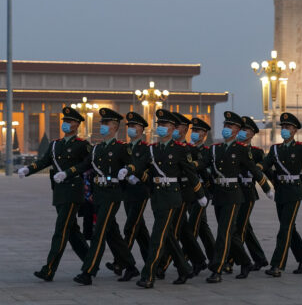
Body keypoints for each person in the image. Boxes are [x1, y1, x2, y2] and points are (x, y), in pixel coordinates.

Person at [133, 109, 208, 288]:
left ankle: (148, 275)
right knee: (170, 234)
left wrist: (200, 194)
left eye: (165, 125)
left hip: (173, 197)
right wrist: (130, 171)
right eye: (159, 125)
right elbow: (143, 167)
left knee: (158, 236)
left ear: (173, 128)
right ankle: (184, 268)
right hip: (157, 197)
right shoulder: (153, 149)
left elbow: (191, 174)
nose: (161, 128)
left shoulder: (181, 150)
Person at [65, 108, 140, 286]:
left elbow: (133, 165)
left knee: (99, 232)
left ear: (114, 126)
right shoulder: (97, 148)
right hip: (98, 195)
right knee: (112, 234)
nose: (103, 126)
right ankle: (130, 266)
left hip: (112, 194)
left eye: (106, 124)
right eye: (102, 124)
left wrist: (128, 172)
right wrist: (67, 173)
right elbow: (84, 165)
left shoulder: (122, 148)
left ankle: (88, 271)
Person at [17, 106, 91, 282]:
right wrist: (29, 169)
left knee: (61, 230)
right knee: (72, 231)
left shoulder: (82, 145)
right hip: (59, 192)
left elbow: (87, 164)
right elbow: (44, 161)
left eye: (70, 121)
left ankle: (49, 269)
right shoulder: (55, 144)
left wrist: (68, 172)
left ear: (77, 125)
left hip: (73, 191)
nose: (66, 124)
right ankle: (91, 262)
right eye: (64, 121)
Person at [203, 111, 274, 283]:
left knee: (223, 232)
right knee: (231, 232)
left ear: (237, 130)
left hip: (234, 195)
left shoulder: (241, 150)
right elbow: (202, 164)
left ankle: (217, 268)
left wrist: (266, 187)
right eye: (225, 125)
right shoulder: (215, 149)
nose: (227, 128)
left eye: (231, 126)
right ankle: (246, 262)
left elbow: (254, 169)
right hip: (219, 194)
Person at [260, 112, 302, 278]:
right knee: (290, 228)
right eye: (283, 127)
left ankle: (277, 265)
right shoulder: (275, 149)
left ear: (295, 130)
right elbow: (264, 165)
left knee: (284, 229)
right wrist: (254, 170)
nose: (284, 129)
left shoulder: (301, 148)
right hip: (281, 191)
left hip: (294, 192)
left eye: (288, 127)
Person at [157, 112, 209, 278]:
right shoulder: (167, 148)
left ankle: (162, 266)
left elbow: (202, 165)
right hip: (173, 193)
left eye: (175, 126)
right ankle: (199, 260)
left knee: (173, 230)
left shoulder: (189, 149)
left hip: (186, 194)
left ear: (183, 130)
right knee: (183, 230)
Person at [105, 111, 151, 275]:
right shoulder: (125, 147)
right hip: (126, 191)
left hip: (140, 191)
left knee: (130, 227)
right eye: (129, 126)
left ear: (142, 129)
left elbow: (144, 166)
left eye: (134, 126)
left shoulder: (146, 148)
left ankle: (121, 263)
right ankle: (154, 262)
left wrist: (136, 176)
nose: (131, 128)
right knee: (140, 230)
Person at [227, 116, 270, 277]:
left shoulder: (257, 152)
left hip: (247, 192)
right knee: (244, 227)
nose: (242, 132)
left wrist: (273, 186)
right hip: (232, 191)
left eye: (246, 130)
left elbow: (264, 169)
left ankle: (231, 261)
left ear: (252, 134)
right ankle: (259, 258)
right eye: (241, 129)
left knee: (238, 228)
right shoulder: (231, 148)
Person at [186, 117, 216, 265]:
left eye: (198, 131)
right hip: (188, 191)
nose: (195, 133)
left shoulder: (207, 151)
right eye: (194, 130)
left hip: (202, 192)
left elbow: (203, 167)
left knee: (192, 227)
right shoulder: (185, 149)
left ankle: (191, 261)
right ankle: (215, 258)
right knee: (202, 226)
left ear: (204, 134)